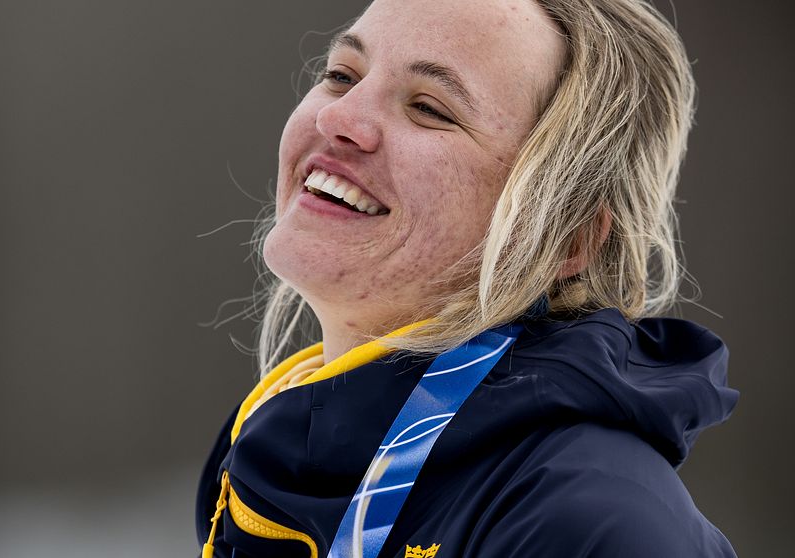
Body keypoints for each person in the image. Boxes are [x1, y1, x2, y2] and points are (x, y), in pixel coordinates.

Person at [196, 0, 739, 556]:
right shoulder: (265, 457)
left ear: (564, 236)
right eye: (341, 76)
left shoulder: (592, 522)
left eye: (429, 108)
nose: (338, 118)